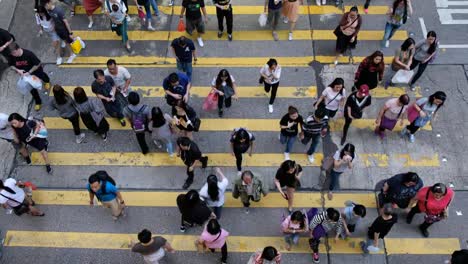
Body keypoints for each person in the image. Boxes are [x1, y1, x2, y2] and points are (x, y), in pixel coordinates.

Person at [8, 43, 50, 111]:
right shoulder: (11, 56)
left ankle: (47, 81)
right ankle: (38, 102)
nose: (13, 55)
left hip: (35, 72)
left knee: (43, 76)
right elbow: (11, 66)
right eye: (12, 53)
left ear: (18, 49)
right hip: (25, 76)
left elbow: (38, 64)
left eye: (14, 53)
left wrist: (29, 72)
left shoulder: (29, 54)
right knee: (32, 89)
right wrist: (18, 70)